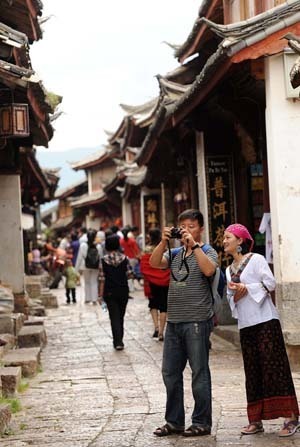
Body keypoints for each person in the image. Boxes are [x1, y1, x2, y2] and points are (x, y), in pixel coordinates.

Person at [223, 223, 299, 437]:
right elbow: (232, 300)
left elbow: (271, 284)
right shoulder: (228, 271)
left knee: (274, 367)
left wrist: (248, 288)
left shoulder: (256, 260)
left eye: (229, 237)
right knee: (253, 370)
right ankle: (255, 420)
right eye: (224, 238)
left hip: (266, 321)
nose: (225, 241)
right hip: (246, 324)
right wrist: (238, 292)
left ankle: (291, 417)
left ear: (240, 240)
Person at [150, 209, 218, 437]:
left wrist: (194, 246)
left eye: (191, 226)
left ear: (201, 229)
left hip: (197, 321)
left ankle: (201, 422)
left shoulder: (207, 251)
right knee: (170, 373)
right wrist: (163, 241)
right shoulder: (176, 252)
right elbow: (154, 263)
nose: (187, 230)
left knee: (199, 372)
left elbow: (209, 270)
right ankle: (174, 421)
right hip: (174, 321)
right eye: (183, 227)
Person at [98, 235, 132, 350]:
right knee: (121, 316)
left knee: (114, 316)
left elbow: (102, 279)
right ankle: (120, 340)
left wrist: (100, 295)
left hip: (109, 292)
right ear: (118, 245)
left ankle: (117, 342)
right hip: (123, 291)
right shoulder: (125, 258)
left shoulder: (103, 260)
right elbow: (129, 275)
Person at [140, 228, 169, 341]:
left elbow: (144, 266)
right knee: (163, 306)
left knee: (153, 304)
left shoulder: (146, 250)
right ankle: (161, 331)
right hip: (165, 282)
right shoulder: (165, 249)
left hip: (152, 283)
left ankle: (156, 327)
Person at [75, 229, 103, 304]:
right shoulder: (99, 246)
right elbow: (100, 258)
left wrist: (76, 269)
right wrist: (101, 267)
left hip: (85, 266)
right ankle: (94, 299)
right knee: (94, 282)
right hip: (95, 266)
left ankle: (87, 298)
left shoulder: (83, 245)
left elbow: (79, 257)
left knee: (87, 282)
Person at [120, 227, 140, 293]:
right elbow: (136, 250)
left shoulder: (120, 241)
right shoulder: (132, 240)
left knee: (125, 274)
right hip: (132, 258)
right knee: (131, 273)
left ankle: (128, 287)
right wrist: (138, 257)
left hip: (124, 258)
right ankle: (131, 288)